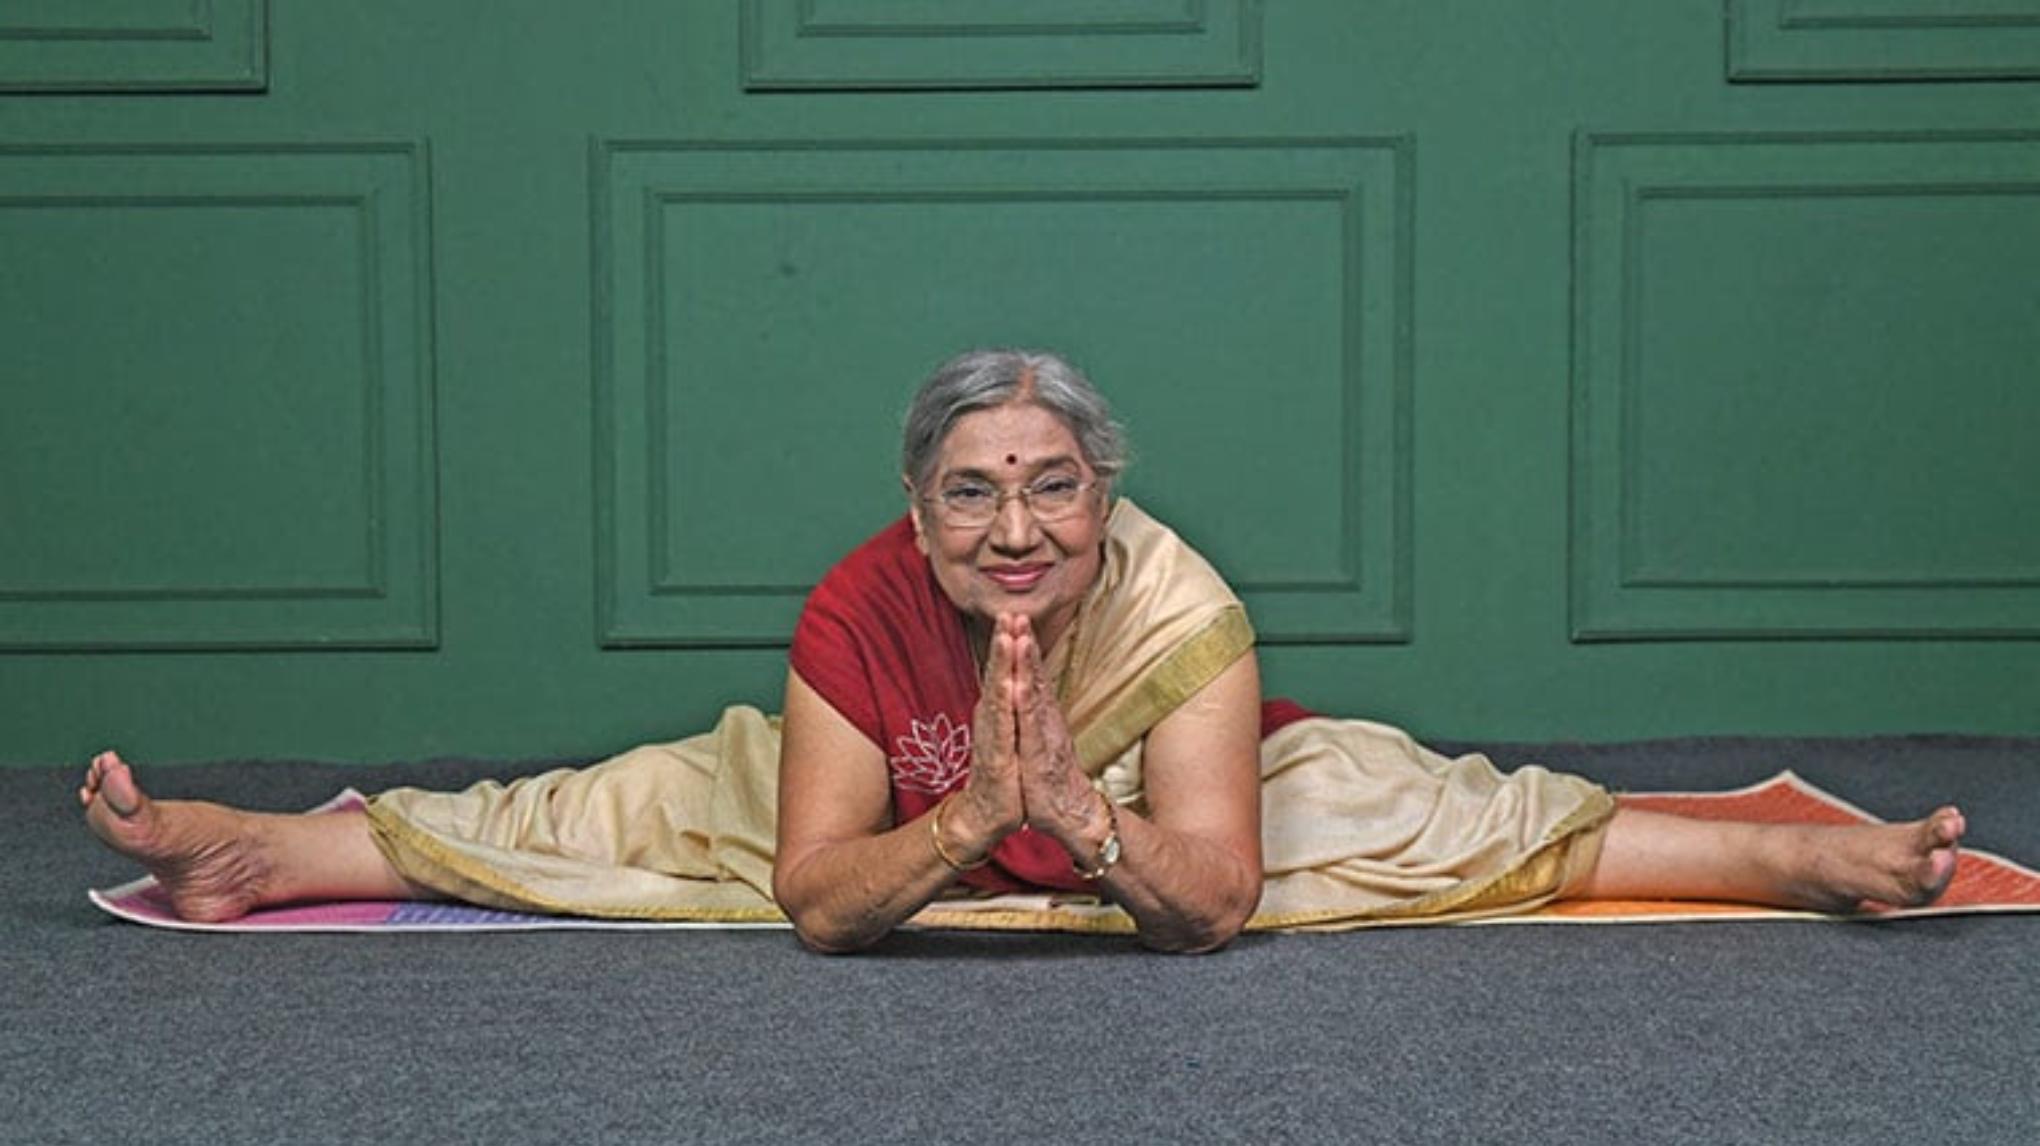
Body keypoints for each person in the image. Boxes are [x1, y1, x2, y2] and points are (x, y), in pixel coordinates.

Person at [81, 349, 1969, 952]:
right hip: (924, 808)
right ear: (917, 513)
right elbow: (819, 902)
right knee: (616, 812)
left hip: (1178, 804)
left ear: (1104, 498)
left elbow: (1209, 904)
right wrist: (983, 812)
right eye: (972, 493)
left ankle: (1807, 862)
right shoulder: (858, 603)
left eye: (1052, 488)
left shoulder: (1183, 607)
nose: (1015, 530)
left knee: (1436, 819)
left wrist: (1090, 814)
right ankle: (260, 851)